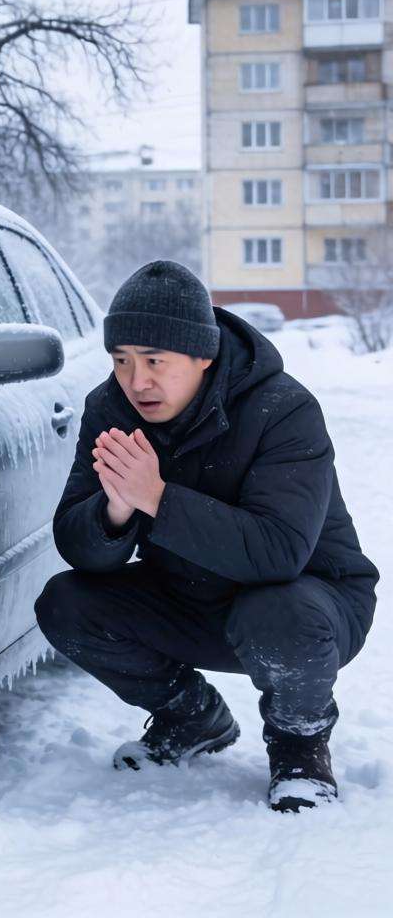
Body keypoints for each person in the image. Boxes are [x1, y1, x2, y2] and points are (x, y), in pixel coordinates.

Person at [34, 260, 378, 812]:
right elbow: (76, 545)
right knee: (66, 603)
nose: (136, 380)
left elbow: (278, 553)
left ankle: (300, 748)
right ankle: (192, 718)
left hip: (311, 604)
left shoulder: (283, 409)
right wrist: (114, 513)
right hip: (191, 596)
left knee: (277, 612)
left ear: (203, 355)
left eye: (154, 361)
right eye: (121, 360)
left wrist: (158, 498)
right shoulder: (110, 409)